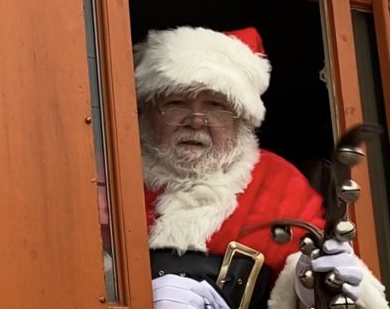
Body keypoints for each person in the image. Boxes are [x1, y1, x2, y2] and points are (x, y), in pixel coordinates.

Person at [133, 26, 389, 309]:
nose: (196, 121)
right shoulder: (112, 176)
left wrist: (311, 291)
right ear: (146, 112)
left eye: (216, 105)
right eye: (176, 102)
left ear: (242, 118)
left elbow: (310, 275)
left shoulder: (276, 181)